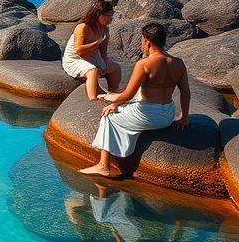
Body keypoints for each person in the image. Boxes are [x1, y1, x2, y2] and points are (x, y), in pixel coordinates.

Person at [79, 22, 190, 178]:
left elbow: (128, 95)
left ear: (147, 42)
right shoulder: (178, 63)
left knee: (109, 116)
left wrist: (114, 103)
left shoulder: (144, 64)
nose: (141, 44)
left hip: (147, 116)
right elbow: (185, 92)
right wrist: (184, 117)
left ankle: (103, 166)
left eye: (141, 41)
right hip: (167, 116)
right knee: (132, 98)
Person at [62, 0, 121, 100]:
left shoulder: (104, 29)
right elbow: (79, 50)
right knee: (92, 71)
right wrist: (95, 43)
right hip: (75, 59)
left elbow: (103, 52)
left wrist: (105, 63)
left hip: (92, 57)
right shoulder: (83, 27)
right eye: (108, 15)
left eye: (112, 15)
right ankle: (93, 98)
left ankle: (112, 93)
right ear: (99, 14)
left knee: (115, 67)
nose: (111, 19)